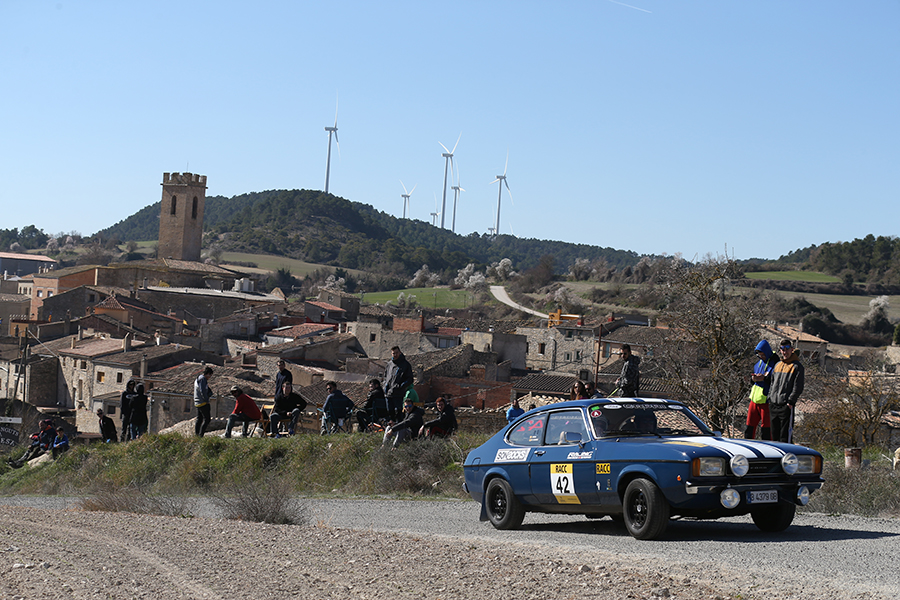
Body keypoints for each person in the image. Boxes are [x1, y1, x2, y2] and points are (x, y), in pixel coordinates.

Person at [769, 339, 805, 444]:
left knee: (785, 437)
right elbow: (772, 383)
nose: (785, 352)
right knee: (774, 437)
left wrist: (791, 402)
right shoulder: (777, 365)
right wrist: (770, 398)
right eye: (783, 349)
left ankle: (786, 459)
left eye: (787, 349)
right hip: (774, 405)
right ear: (780, 350)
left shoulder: (797, 367)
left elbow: (798, 386)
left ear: (792, 350)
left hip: (786, 406)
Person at [745, 340, 778, 440]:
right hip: (754, 399)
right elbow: (753, 379)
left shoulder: (775, 364)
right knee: (749, 426)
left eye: (763, 355)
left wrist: (764, 378)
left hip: (766, 400)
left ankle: (768, 449)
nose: (761, 357)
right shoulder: (757, 364)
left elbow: (775, 379)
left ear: (767, 353)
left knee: (766, 429)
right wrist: (753, 379)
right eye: (759, 355)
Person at [383, 346, 413, 420]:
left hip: (398, 393)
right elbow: (385, 377)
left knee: (398, 412)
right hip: (388, 393)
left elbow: (410, 379)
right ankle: (390, 429)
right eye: (393, 353)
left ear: (400, 352)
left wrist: (400, 386)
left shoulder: (405, 365)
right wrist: (384, 385)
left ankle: (399, 429)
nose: (395, 355)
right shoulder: (389, 364)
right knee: (389, 412)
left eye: (396, 353)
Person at [194, 366, 214, 437]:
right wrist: (206, 400)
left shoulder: (198, 378)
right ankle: (200, 435)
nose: (210, 377)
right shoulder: (203, 379)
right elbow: (202, 391)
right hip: (202, 402)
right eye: (210, 375)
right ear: (208, 374)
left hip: (197, 402)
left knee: (199, 419)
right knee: (207, 419)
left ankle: (196, 435)